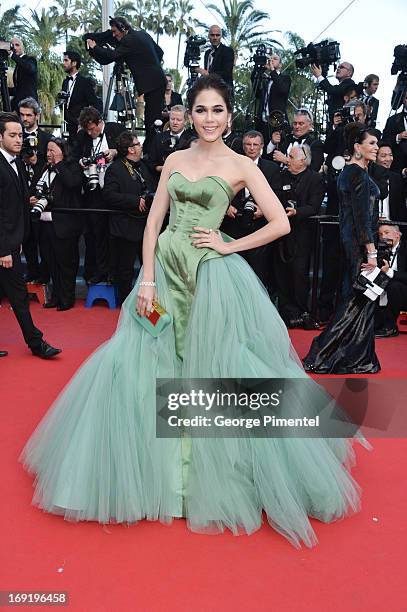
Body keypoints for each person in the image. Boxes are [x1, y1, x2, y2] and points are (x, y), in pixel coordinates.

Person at [21, 76, 364, 549]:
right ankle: (153, 472)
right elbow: (154, 219)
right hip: (163, 271)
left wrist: (230, 245)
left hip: (210, 275)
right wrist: (145, 279)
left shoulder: (242, 164)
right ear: (192, 113)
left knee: (218, 367)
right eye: (200, 110)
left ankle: (213, 472)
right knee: (140, 359)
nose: (207, 119)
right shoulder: (176, 160)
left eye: (217, 110)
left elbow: (281, 222)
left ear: (229, 115)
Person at [304, 123, 381, 374]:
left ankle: (356, 356)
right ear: (357, 147)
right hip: (359, 245)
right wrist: (370, 251)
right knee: (355, 300)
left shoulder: (351, 173)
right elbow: (360, 217)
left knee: (358, 299)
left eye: (377, 143)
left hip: (352, 242)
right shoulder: (356, 175)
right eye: (371, 143)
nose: (376, 148)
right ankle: (323, 353)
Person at [0, 112, 61, 358]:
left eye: (20, 135)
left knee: (16, 295)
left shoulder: (15, 163)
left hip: (13, 241)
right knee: (18, 296)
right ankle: (36, 344)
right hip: (4, 246)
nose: (18, 140)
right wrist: (4, 248)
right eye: (12, 135)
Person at [85, 16, 166, 154]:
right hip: (157, 81)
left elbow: (113, 55)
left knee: (151, 121)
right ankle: (150, 150)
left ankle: (150, 152)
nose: (114, 35)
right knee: (152, 118)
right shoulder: (142, 34)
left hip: (153, 84)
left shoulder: (129, 40)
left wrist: (95, 47)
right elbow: (160, 52)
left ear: (123, 29)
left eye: (115, 31)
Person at [273, 144, 325, 330]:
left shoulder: (316, 179)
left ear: (303, 161)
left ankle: (301, 312)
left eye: (291, 157)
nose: (287, 159)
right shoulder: (280, 176)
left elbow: (314, 206)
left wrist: (296, 212)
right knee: (280, 273)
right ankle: (284, 312)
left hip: (302, 233)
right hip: (280, 232)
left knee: (298, 273)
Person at [103, 131, 156, 303]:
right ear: (131, 149)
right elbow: (109, 196)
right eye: (138, 144)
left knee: (149, 266)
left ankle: (149, 301)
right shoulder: (115, 169)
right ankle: (125, 302)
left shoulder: (143, 166)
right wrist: (134, 201)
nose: (141, 147)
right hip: (125, 228)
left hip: (145, 227)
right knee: (124, 269)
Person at [74, 106, 126, 284]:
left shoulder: (115, 129)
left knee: (114, 234)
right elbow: (74, 156)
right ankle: (98, 271)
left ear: (99, 122)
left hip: (114, 190)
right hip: (93, 191)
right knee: (96, 234)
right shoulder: (82, 137)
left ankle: (114, 273)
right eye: (87, 130)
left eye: (92, 129)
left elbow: (131, 149)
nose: (90, 133)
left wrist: (115, 152)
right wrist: (81, 161)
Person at [33, 138, 83, 310]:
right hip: (45, 224)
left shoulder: (73, 167)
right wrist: (34, 198)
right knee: (50, 261)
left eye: (53, 150)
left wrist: (60, 163)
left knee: (66, 264)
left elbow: (72, 184)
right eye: (47, 150)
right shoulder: (44, 169)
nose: (49, 154)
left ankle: (67, 299)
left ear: (63, 151)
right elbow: (35, 188)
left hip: (65, 225)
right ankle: (55, 297)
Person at [374, 222, 407, 338]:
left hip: (402, 292)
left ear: (397, 235)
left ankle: (390, 327)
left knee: (395, 286)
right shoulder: (377, 250)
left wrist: (389, 272)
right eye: (380, 234)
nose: (383, 237)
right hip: (381, 291)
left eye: (387, 233)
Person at [60, 50, 99, 143]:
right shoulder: (65, 82)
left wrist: (86, 122)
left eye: (66, 60)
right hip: (68, 124)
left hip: (80, 126)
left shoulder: (84, 82)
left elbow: (94, 103)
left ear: (74, 63)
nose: (63, 63)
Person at [196, 25, 234, 90]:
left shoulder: (227, 51)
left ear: (221, 36)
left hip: (223, 92)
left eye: (217, 35)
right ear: (209, 36)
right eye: (212, 35)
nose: (215, 37)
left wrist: (208, 74)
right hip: (208, 90)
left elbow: (227, 73)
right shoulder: (207, 53)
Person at [8, 38, 38, 111]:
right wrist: (5, 90)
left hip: (29, 104)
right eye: (12, 46)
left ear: (22, 47)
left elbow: (30, 69)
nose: (14, 48)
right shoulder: (18, 65)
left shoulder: (30, 60)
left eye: (17, 45)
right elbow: (19, 89)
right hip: (18, 104)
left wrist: (12, 55)